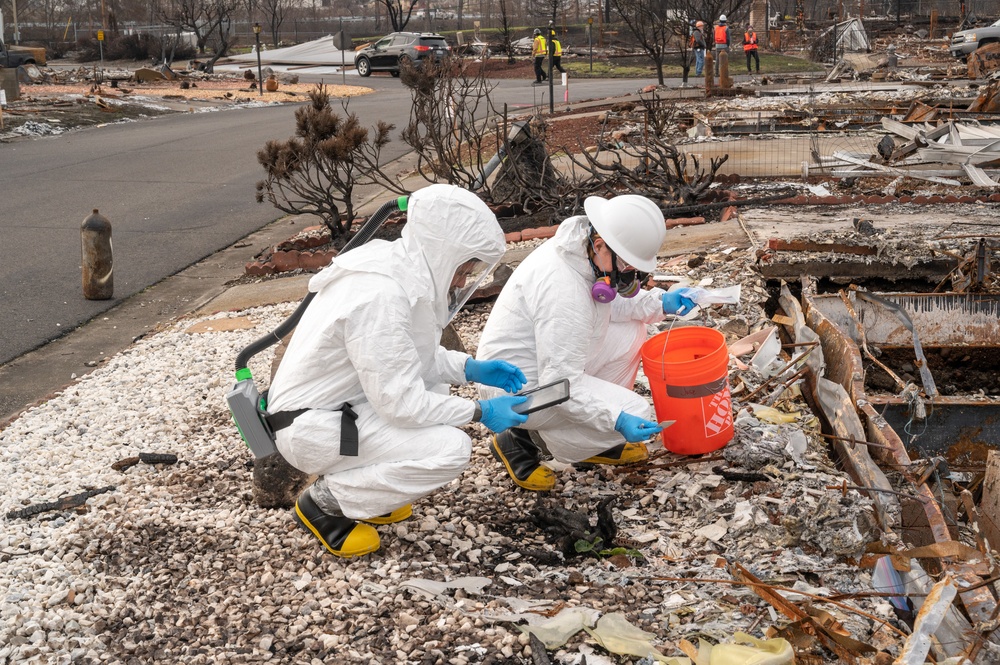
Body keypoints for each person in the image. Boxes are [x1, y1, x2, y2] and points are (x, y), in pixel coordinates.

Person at [265, 184, 531, 558]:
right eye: (463, 269)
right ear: (443, 253)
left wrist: (470, 369)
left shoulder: (397, 272)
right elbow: (403, 404)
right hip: (314, 428)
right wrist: (480, 412)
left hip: (338, 411)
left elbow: (413, 360)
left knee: (438, 395)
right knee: (451, 449)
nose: (460, 281)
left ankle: (371, 495)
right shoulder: (381, 296)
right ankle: (325, 504)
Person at [476, 195, 696, 491]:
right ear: (601, 244)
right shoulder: (563, 291)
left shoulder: (583, 255)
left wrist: (661, 303)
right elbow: (562, 386)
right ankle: (524, 442)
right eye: (627, 263)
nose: (631, 273)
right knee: (636, 413)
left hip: (544, 362)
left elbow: (612, 305)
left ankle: (592, 446)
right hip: (517, 389)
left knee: (632, 332)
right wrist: (615, 420)